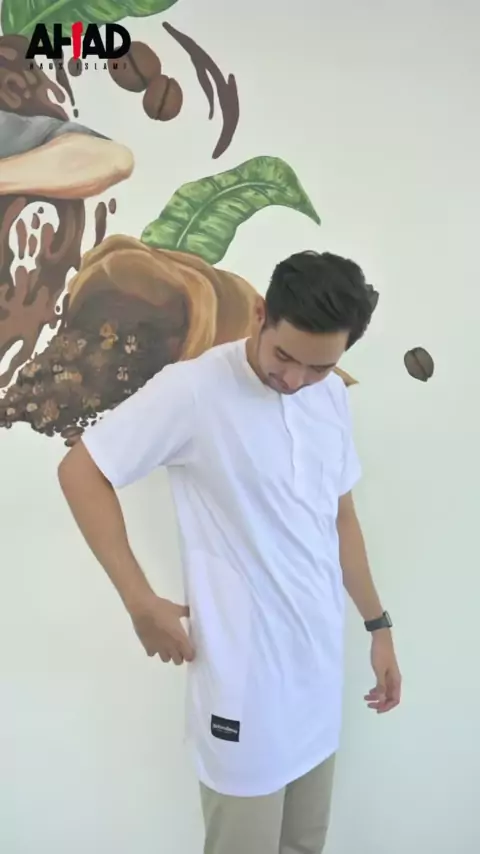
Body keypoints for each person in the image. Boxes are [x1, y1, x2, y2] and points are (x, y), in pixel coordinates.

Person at [58, 250, 402, 854]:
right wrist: (139, 601)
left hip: (318, 675)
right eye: (284, 356)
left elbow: (340, 518)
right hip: (243, 688)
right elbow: (82, 472)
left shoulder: (329, 397)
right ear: (261, 314)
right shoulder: (195, 391)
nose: (295, 379)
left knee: (305, 845)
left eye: (319, 365)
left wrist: (379, 626)